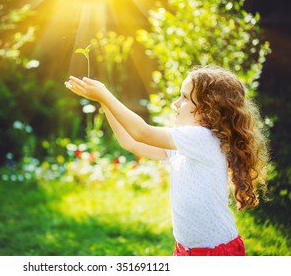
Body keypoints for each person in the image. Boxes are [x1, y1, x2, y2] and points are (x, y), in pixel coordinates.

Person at [64, 65, 269, 256]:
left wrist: (106, 95)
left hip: (216, 252)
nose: (176, 103)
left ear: (210, 108)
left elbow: (141, 132)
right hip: (186, 250)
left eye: (185, 97)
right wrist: (103, 102)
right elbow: (131, 142)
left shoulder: (204, 139)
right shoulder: (185, 145)